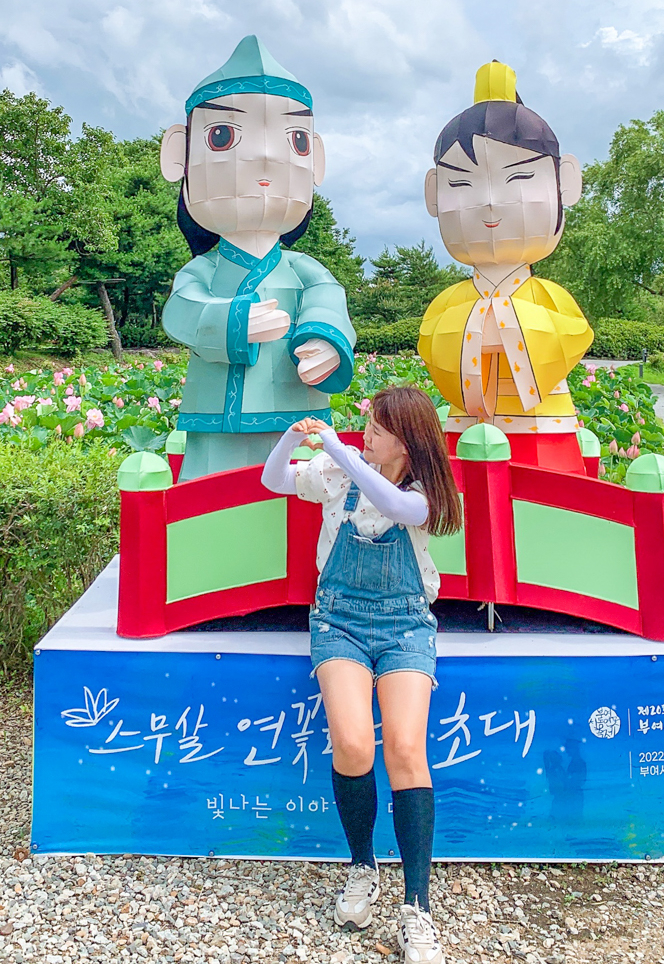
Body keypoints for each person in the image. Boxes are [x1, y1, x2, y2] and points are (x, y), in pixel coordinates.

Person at [261, 386, 461, 964]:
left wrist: (340, 451)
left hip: (405, 626)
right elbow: (275, 480)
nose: (364, 433)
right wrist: (293, 441)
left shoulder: (425, 492)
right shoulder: (336, 470)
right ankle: (362, 868)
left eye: (375, 428)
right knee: (352, 744)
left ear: (407, 439)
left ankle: (416, 907)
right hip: (339, 623)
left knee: (404, 748)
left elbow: (395, 509)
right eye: (365, 425)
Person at [158, 35, 356, 480]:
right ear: (179, 156)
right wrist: (230, 320)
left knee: (299, 510)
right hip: (214, 426)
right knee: (209, 504)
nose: (265, 156)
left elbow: (328, 297)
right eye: (223, 135)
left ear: (315, 162)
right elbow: (181, 310)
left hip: (298, 420)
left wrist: (324, 340)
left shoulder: (305, 270)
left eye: (295, 140)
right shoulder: (203, 270)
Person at [419, 60, 593, 474]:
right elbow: (431, 345)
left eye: (517, 179)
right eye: (460, 184)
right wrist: (478, 329)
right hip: (461, 433)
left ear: (565, 183)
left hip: (541, 433)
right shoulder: (449, 301)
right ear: (433, 194)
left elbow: (572, 333)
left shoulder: (549, 297)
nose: (490, 202)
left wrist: (506, 325)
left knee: (549, 514)